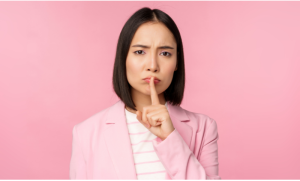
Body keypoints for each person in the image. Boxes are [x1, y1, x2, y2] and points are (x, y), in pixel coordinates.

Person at [69, 7, 221, 180]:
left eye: (165, 53)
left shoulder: (204, 128)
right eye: (140, 52)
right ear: (123, 57)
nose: (152, 65)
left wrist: (170, 137)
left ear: (177, 62)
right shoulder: (85, 133)